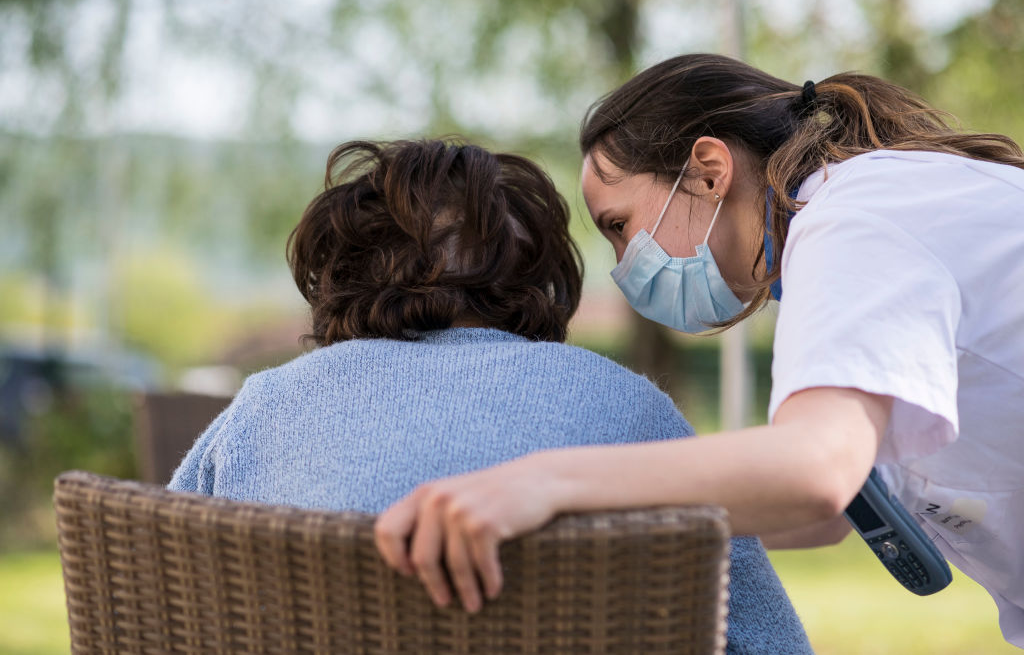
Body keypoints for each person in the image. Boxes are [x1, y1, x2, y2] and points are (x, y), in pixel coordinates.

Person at [374, 54, 1024, 648]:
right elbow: (836, 506)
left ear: (709, 172)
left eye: (620, 226)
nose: (624, 265)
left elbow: (817, 469)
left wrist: (543, 482)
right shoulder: (857, 224)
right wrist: (576, 534)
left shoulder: (856, 222)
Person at [167, 138, 814, 653]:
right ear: (538, 273)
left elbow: (166, 604)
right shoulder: (632, 409)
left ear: (346, 267)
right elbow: (768, 641)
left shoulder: (267, 406)